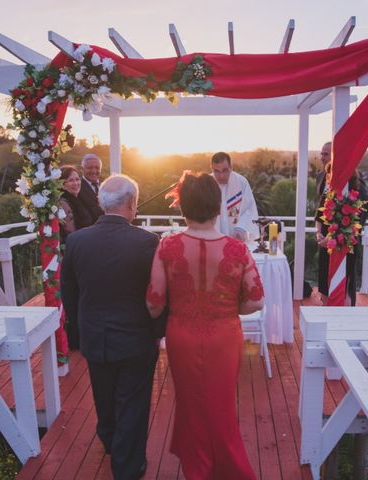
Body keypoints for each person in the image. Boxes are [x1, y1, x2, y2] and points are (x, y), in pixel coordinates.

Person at [146, 171, 264, 480]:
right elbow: (256, 301)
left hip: (182, 336)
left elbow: (154, 304)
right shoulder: (238, 250)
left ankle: (197, 469)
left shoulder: (166, 247)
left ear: (182, 207)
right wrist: (224, 309)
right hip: (224, 336)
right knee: (222, 406)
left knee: (189, 404)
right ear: (218, 207)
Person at [61, 175, 160, 480]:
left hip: (95, 335)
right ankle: (128, 469)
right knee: (133, 402)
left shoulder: (76, 241)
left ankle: (108, 439)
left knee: (103, 394)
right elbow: (157, 292)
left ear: (103, 204)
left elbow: (69, 291)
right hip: (136, 339)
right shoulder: (148, 241)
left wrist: (81, 330)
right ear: (132, 205)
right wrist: (158, 330)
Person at [315, 142, 368, 306]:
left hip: (346, 242)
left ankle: (345, 316)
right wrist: (319, 233)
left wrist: (335, 238)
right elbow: (319, 209)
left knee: (345, 283)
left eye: (326, 154)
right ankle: (326, 307)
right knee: (324, 278)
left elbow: (361, 215)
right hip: (325, 240)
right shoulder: (323, 180)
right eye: (321, 153)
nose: (322, 158)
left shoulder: (356, 186)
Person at [210, 152, 259, 242]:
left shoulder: (242, 182)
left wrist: (241, 227)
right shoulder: (207, 184)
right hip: (212, 239)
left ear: (231, 167)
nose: (221, 176)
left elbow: (249, 208)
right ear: (211, 168)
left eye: (225, 170)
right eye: (216, 171)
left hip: (236, 238)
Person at [59, 165, 94, 242]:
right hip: (78, 246)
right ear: (62, 185)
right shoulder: (63, 203)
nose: (76, 183)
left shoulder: (80, 199)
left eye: (77, 179)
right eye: (71, 180)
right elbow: (71, 233)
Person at [78, 153, 105, 225]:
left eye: (97, 168)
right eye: (89, 168)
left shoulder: (105, 186)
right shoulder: (77, 188)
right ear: (82, 169)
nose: (94, 171)